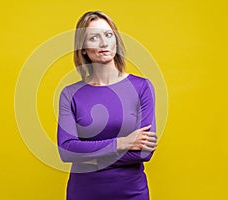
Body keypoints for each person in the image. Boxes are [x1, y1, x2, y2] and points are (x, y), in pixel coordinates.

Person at [57, 11, 157, 200]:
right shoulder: (70, 94)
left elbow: (144, 152)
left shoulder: (141, 87)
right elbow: (67, 150)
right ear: (83, 49)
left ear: (116, 41)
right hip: (83, 193)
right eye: (94, 37)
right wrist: (122, 143)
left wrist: (90, 158)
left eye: (108, 35)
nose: (103, 43)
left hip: (131, 193)